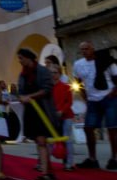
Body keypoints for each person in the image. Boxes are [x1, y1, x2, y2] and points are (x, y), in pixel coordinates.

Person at [71, 41, 117, 170]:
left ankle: (114, 158)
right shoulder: (78, 64)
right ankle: (92, 158)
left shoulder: (106, 61)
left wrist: (113, 93)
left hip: (109, 98)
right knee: (88, 127)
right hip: (92, 100)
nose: (84, 51)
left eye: (87, 48)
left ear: (92, 49)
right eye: (82, 50)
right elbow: (77, 82)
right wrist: (84, 96)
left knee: (112, 128)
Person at [16, 48, 58, 180]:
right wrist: (22, 97)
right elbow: (20, 90)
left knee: (41, 140)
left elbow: (47, 88)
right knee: (38, 140)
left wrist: (30, 97)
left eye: (21, 58)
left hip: (42, 109)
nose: (20, 61)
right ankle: (47, 169)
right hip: (31, 110)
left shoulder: (42, 71)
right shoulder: (23, 74)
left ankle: (45, 171)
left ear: (29, 58)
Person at [46, 56, 75, 171]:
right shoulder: (48, 89)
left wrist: (62, 111)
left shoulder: (66, 87)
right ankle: (46, 163)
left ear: (59, 73)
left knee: (67, 139)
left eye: (55, 72)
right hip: (53, 117)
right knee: (50, 140)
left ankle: (69, 163)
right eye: (51, 73)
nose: (53, 75)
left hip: (66, 116)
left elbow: (69, 102)